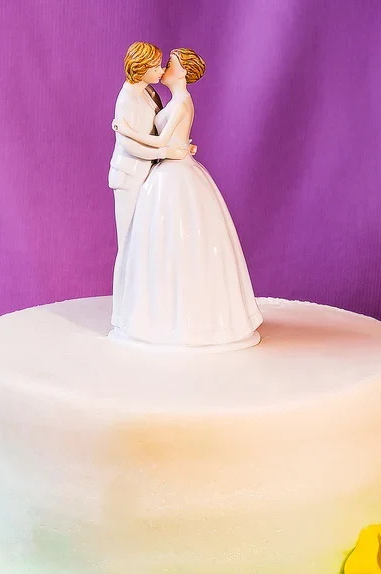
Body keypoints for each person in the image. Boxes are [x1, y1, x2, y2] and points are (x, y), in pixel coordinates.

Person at [110, 48, 262, 350]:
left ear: (181, 72)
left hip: (170, 171)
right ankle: (131, 315)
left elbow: (161, 138)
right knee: (137, 245)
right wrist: (134, 135)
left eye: (169, 64)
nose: (163, 67)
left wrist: (129, 132)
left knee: (168, 242)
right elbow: (160, 142)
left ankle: (170, 315)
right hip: (148, 171)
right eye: (159, 65)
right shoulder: (142, 96)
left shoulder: (174, 102)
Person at [108, 42, 191, 326]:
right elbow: (127, 144)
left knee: (142, 242)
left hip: (148, 174)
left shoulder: (149, 91)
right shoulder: (127, 99)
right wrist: (164, 153)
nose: (161, 70)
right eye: (155, 66)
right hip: (129, 174)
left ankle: (141, 309)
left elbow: (158, 128)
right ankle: (121, 314)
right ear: (140, 69)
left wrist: (178, 144)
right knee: (128, 244)